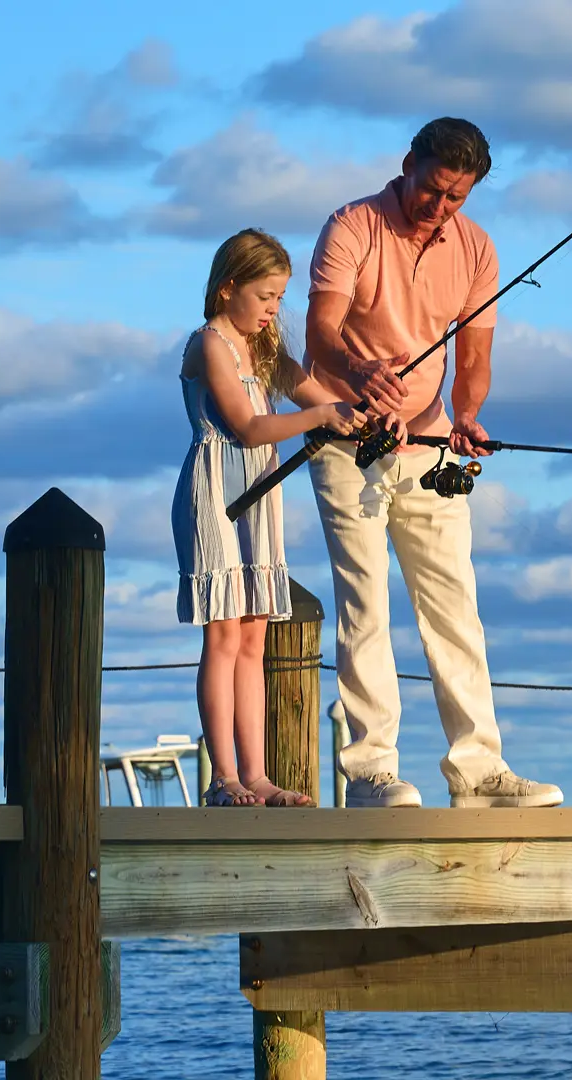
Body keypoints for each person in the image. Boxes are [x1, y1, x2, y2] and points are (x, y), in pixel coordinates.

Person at [303, 117, 563, 809]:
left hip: (430, 443)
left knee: (455, 605)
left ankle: (479, 770)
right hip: (344, 438)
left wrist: (467, 416)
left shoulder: (477, 248)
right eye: (432, 189)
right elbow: (320, 335)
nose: (439, 207)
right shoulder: (352, 225)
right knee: (366, 604)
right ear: (408, 165)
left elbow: (473, 358)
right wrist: (362, 373)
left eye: (457, 197)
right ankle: (370, 773)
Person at [172, 228, 401, 808]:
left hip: (261, 496)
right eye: (265, 296)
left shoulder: (266, 347)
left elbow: (314, 394)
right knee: (223, 635)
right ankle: (222, 777)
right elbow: (248, 426)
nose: (274, 309)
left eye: (279, 298)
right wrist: (323, 412)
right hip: (218, 496)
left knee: (254, 637)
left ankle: (258, 775)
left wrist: (355, 413)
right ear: (228, 289)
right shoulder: (210, 344)